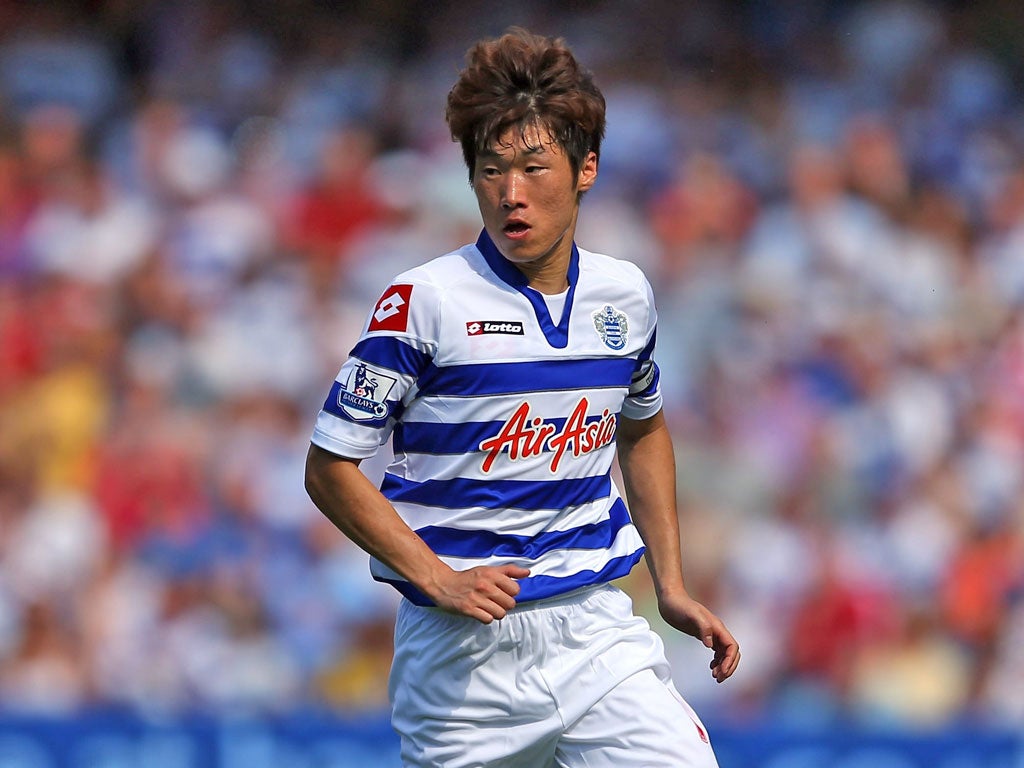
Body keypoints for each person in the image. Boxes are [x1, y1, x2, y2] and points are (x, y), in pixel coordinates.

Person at [304, 27, 740, 768]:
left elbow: (640, 426)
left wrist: (670, 583)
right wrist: (435, 574)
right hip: (462, 660)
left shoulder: (623, 295)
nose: (511, 193)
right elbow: (329, 467)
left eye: (534, 167)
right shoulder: (424, 301)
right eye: (490, 169)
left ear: (585, 169)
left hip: (597, 633)